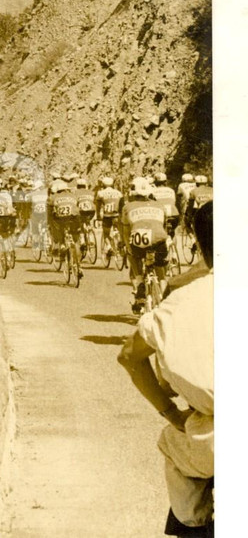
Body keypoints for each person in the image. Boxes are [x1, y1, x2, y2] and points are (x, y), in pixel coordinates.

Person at [118, 201, 213, 536]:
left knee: (174, 442)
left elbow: (129, 355)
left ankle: (193, 524)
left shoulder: (180, 298)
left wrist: (171, 413)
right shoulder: (163, 204)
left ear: (200, 247)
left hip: (215, 439)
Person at [121, 177, 169, 314]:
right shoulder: (159, 205)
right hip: (159, 240)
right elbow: (164, 226)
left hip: (138, 242)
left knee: (132, 255)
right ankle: (165, 293)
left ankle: (140, 283)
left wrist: (127, 246)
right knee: (160, 269)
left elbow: (125, 230)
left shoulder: (127, 207)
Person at [48, 178, 81, 273]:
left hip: (61, 220)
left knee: (55, 224)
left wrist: (49, 223)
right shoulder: (74, 196)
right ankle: (79, 265)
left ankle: (61, 244)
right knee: (76, 241)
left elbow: (49, 213)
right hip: (74, 219)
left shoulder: (53, 197)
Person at [152, 172, 180, 238]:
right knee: (173, 230)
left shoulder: (152, 191)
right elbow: (174, 202)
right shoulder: (171, 190)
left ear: (155, 183)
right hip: (174, 214)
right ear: (165, 182)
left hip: (160, 215)